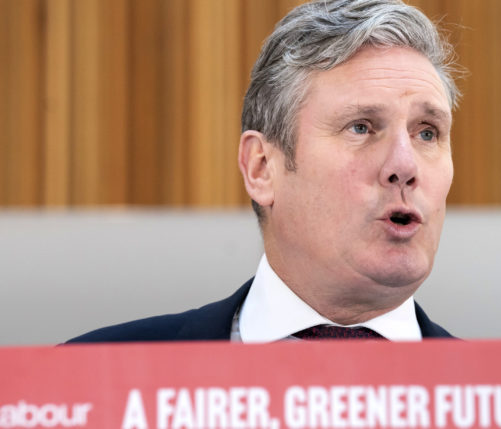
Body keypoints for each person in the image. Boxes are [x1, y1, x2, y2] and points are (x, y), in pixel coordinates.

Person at [68, 0, 460, 344]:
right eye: (361, 127)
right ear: (261, 169)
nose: (405, 166)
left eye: (427, 133)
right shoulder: (93, 378)